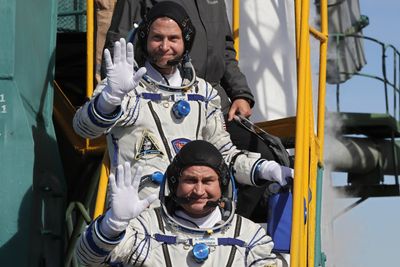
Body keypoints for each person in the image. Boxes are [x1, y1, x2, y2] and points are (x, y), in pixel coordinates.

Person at [73, 1, 293, 202]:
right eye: (158, 38)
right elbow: (86, 128)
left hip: (210, 100)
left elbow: (225, 154)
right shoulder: (131, 97)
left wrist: (241, 93)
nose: (165, 46)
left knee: (266, 153)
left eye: (174, 39)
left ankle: (223, 215)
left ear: (185, 41)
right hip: (143, 211)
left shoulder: (204, 95)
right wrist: (112, 96)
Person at [75, 140, 281, 266]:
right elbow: (87, 258)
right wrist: (113, 223)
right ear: (174, 184)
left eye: (208, 181)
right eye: (190, 180)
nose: (199, 191)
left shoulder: (249, 237)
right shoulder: (146, 228)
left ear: (223, 185)